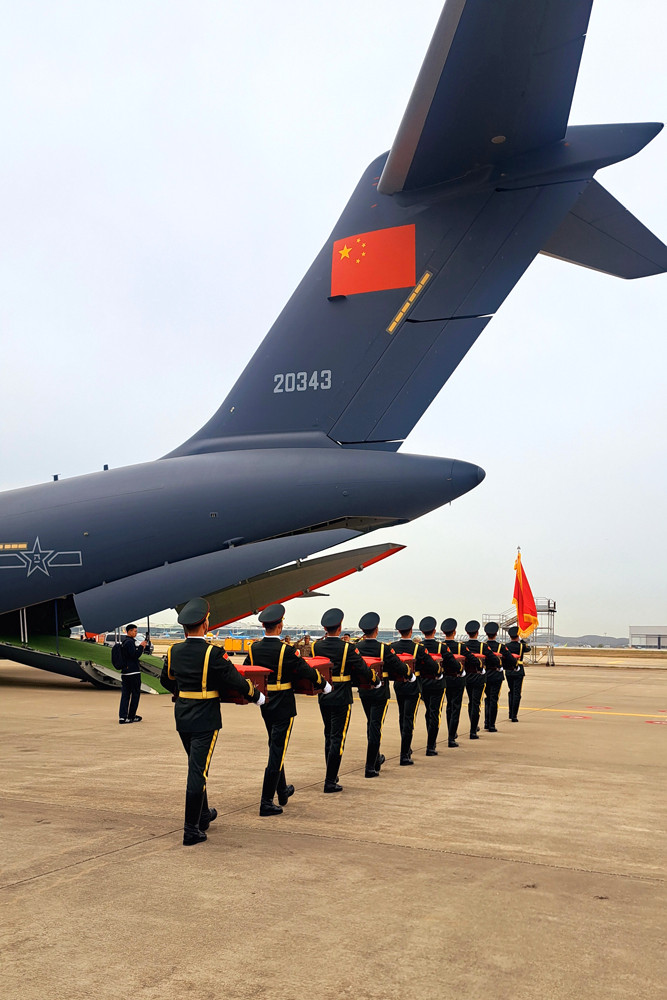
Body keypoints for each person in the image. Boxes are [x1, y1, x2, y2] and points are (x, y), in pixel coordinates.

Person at [159, 598, 265, 846]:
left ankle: (203, 815)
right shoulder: (212, 653)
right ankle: (190, 830)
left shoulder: (174, 651)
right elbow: (234, 680)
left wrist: (184, 690)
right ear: (205, 624)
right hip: (205, 717)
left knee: (196, 765)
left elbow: (166, 680)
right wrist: (256, 695)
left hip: (183, 715)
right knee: (198, 770)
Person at [243, 604, 331, 815]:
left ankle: (282, 790)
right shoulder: (286, 650)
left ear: (264, 625)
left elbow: (247, 670)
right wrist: (323, 683)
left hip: (265, 702)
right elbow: (304, 669)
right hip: (283, 703)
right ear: (280, 625)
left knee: (275, 746)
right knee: (277, 751)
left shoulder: (254, 649)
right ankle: (266, 801)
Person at [313, 608, 377, 793]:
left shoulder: (318, 646)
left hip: (324, 696)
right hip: (341, 695)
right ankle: (330, 780)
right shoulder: (347, 648)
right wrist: (375, 680)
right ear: (339, 627)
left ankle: (331, 774)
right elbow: (362, 668)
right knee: (337, 738)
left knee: (328, 735)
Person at [356, 612, 410, 776]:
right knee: (375, 726)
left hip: (364, 691)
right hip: (380, 692)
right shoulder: (383, 648)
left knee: (370, 724)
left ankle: (376, 758)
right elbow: (397, 665)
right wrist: (409, 674)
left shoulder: (357, 648)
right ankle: (370, 766)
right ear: (377, 630)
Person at [393, 615, 438, 764]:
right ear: (411, 631)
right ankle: (405, 754)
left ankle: (406, 747)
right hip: (413, 685)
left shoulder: (392, 647)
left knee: (402, 716)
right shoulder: (418, 648)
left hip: (399, 685)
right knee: (409, 718)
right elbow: (431, 666)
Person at [441, 618, 478, 748]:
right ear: (454, 632)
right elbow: (473, 660)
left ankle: (452, 732)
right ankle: (451, 738)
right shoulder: (460, 646)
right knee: (455, 707)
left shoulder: (441, 646)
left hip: (445, 679)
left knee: (449, 706)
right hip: (457, 679)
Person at [418, 616, 446, 754]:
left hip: (422, 683)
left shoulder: (418, 647)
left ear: (423, 632)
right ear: (434, 631)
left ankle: (430, 741)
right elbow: (451, 663)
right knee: (435, 713)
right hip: (437, 683)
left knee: (428, 711)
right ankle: (431, 745)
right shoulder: (441, 647)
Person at [481, 622, 514, 731]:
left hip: (485, 674)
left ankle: (486, 722)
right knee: (494, 699)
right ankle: (491, 725)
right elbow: (510, 659)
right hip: (496, 675)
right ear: (496, 633)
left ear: (486, 633)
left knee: (487, 698)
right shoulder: (501, 647)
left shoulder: (483, 646)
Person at [118, 623, 148, 724]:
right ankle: (131, 715)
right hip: (133, 672)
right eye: (134, 631)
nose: (136, 633)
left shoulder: (124, 642)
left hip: (125, 672)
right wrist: (141, 647)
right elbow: (134, 656)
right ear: (129, 631)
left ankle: (123, 716)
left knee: (125, 695)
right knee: (135, 694)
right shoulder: (129, 642)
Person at [463, 620, 486, 740]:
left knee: (471, 701)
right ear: (477, 633)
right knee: (476, 703)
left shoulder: (463, 646)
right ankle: (473, 730)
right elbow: (493, 659)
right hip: (479, 677)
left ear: (467, 633)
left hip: (467, 677)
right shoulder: (482, 646)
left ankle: (474, 724)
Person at [505, 626, 530, 721]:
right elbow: (529, 648)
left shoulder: (506, 646)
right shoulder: (521, 646)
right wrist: (522, 639)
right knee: (517, 693)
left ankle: (510, 713)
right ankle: (514, 715)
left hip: (509, 670)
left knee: (511, 692)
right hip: (518, 670)